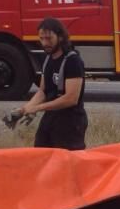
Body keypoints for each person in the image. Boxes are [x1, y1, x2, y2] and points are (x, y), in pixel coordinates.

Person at [16, 17, 88, 149]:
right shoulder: (47, 59)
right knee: (40, 156)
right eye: (42, 38)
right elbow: (43, 91)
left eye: (49, 38)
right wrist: (24, 109)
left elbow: (71, 99)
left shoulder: (73, 61)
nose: (44, 43)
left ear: (60, 37)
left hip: (71, 121)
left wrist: (37, 108)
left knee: (66, 163)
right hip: (51, 118)